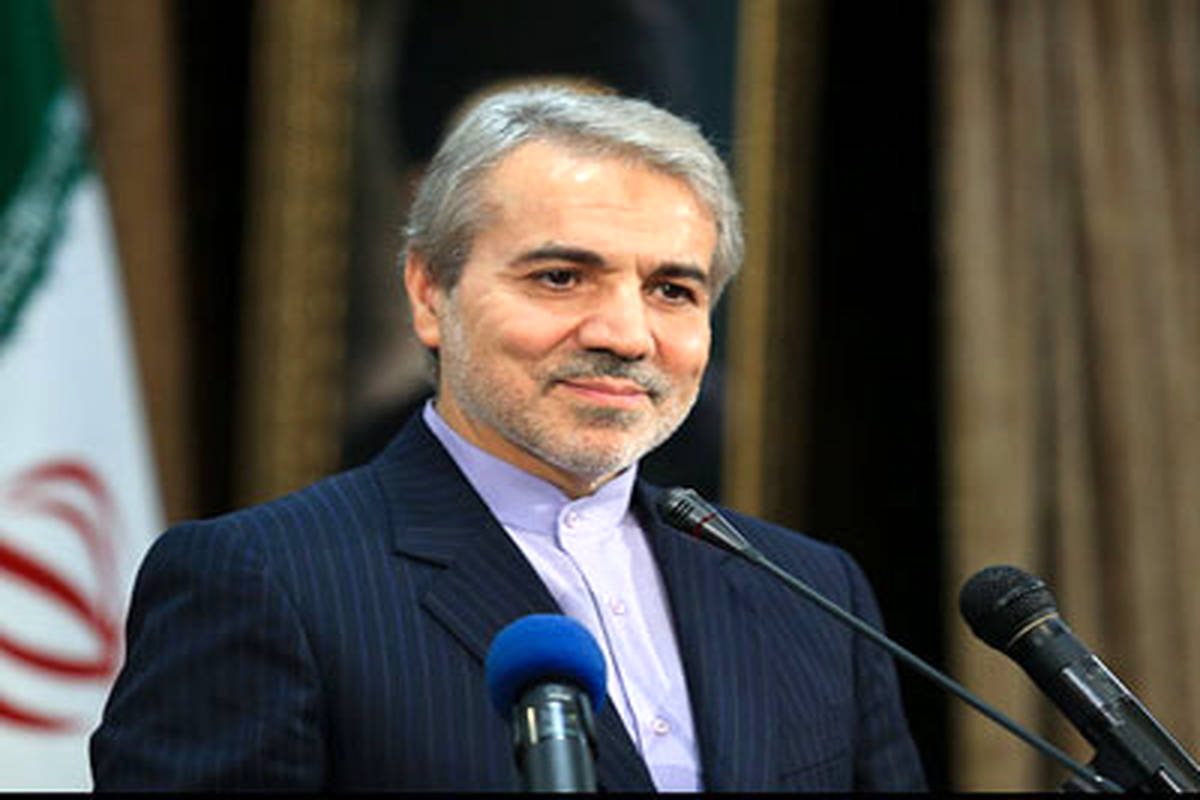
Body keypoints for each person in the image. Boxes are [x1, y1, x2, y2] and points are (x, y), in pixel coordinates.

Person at [90, 86, 926, 792]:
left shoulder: (812, 592)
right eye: (561, 277)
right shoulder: (263, 581)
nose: (626, 334)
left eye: (673, 290)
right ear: (429, 292)